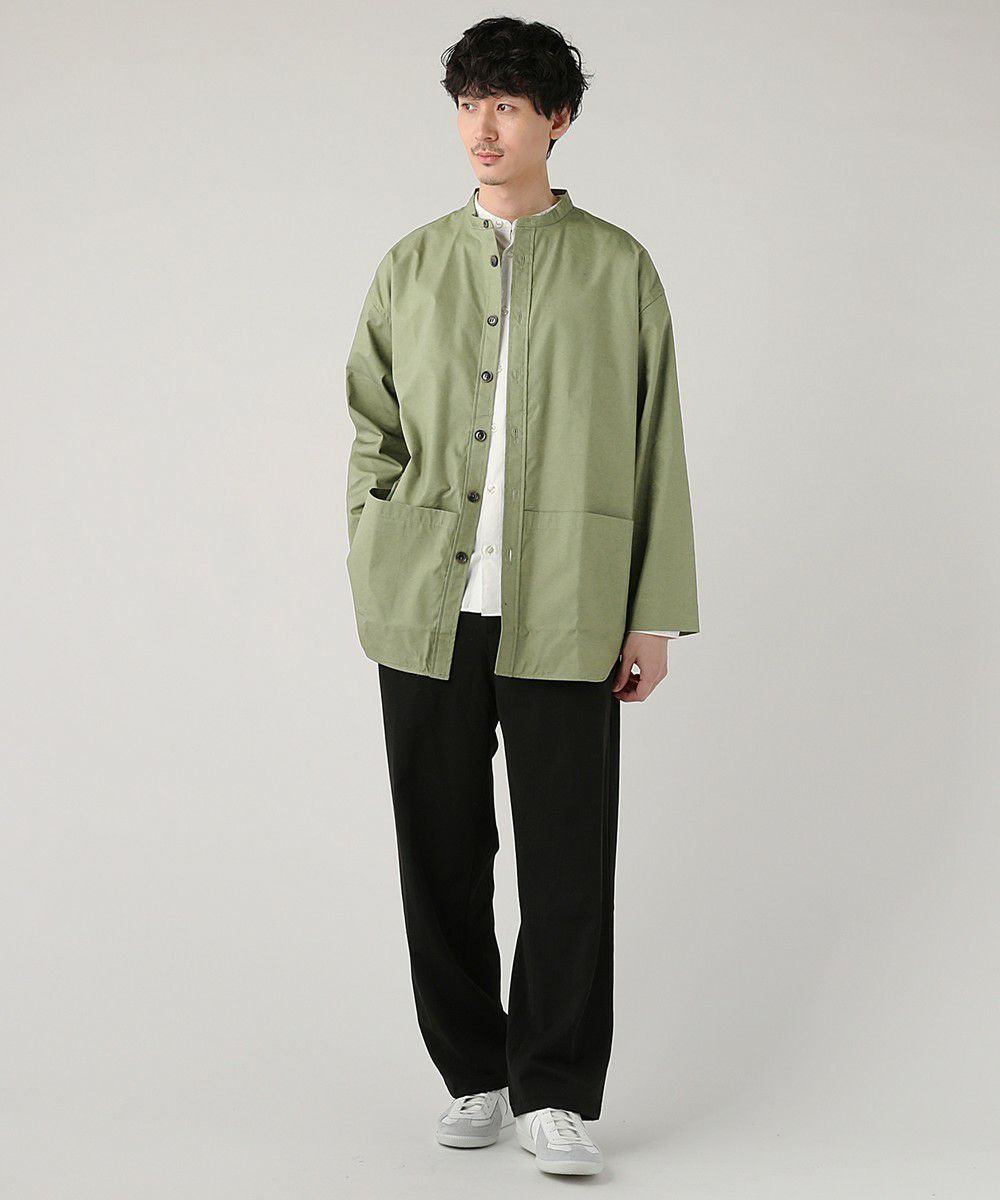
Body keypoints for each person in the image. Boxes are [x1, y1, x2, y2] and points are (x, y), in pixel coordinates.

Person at [344, 15, 699, 1177]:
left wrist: (649, 613)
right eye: (467, 103)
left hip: (570, 605)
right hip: (426, 608)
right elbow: (371, 431)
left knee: (566, 863)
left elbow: (653, 444)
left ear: (557, 118)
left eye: (504, 103)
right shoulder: (410, 264)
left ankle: (554, 1090)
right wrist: (375, 547)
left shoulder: (617, 267)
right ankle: (473, 1074)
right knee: (439, 853)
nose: (481, 127)